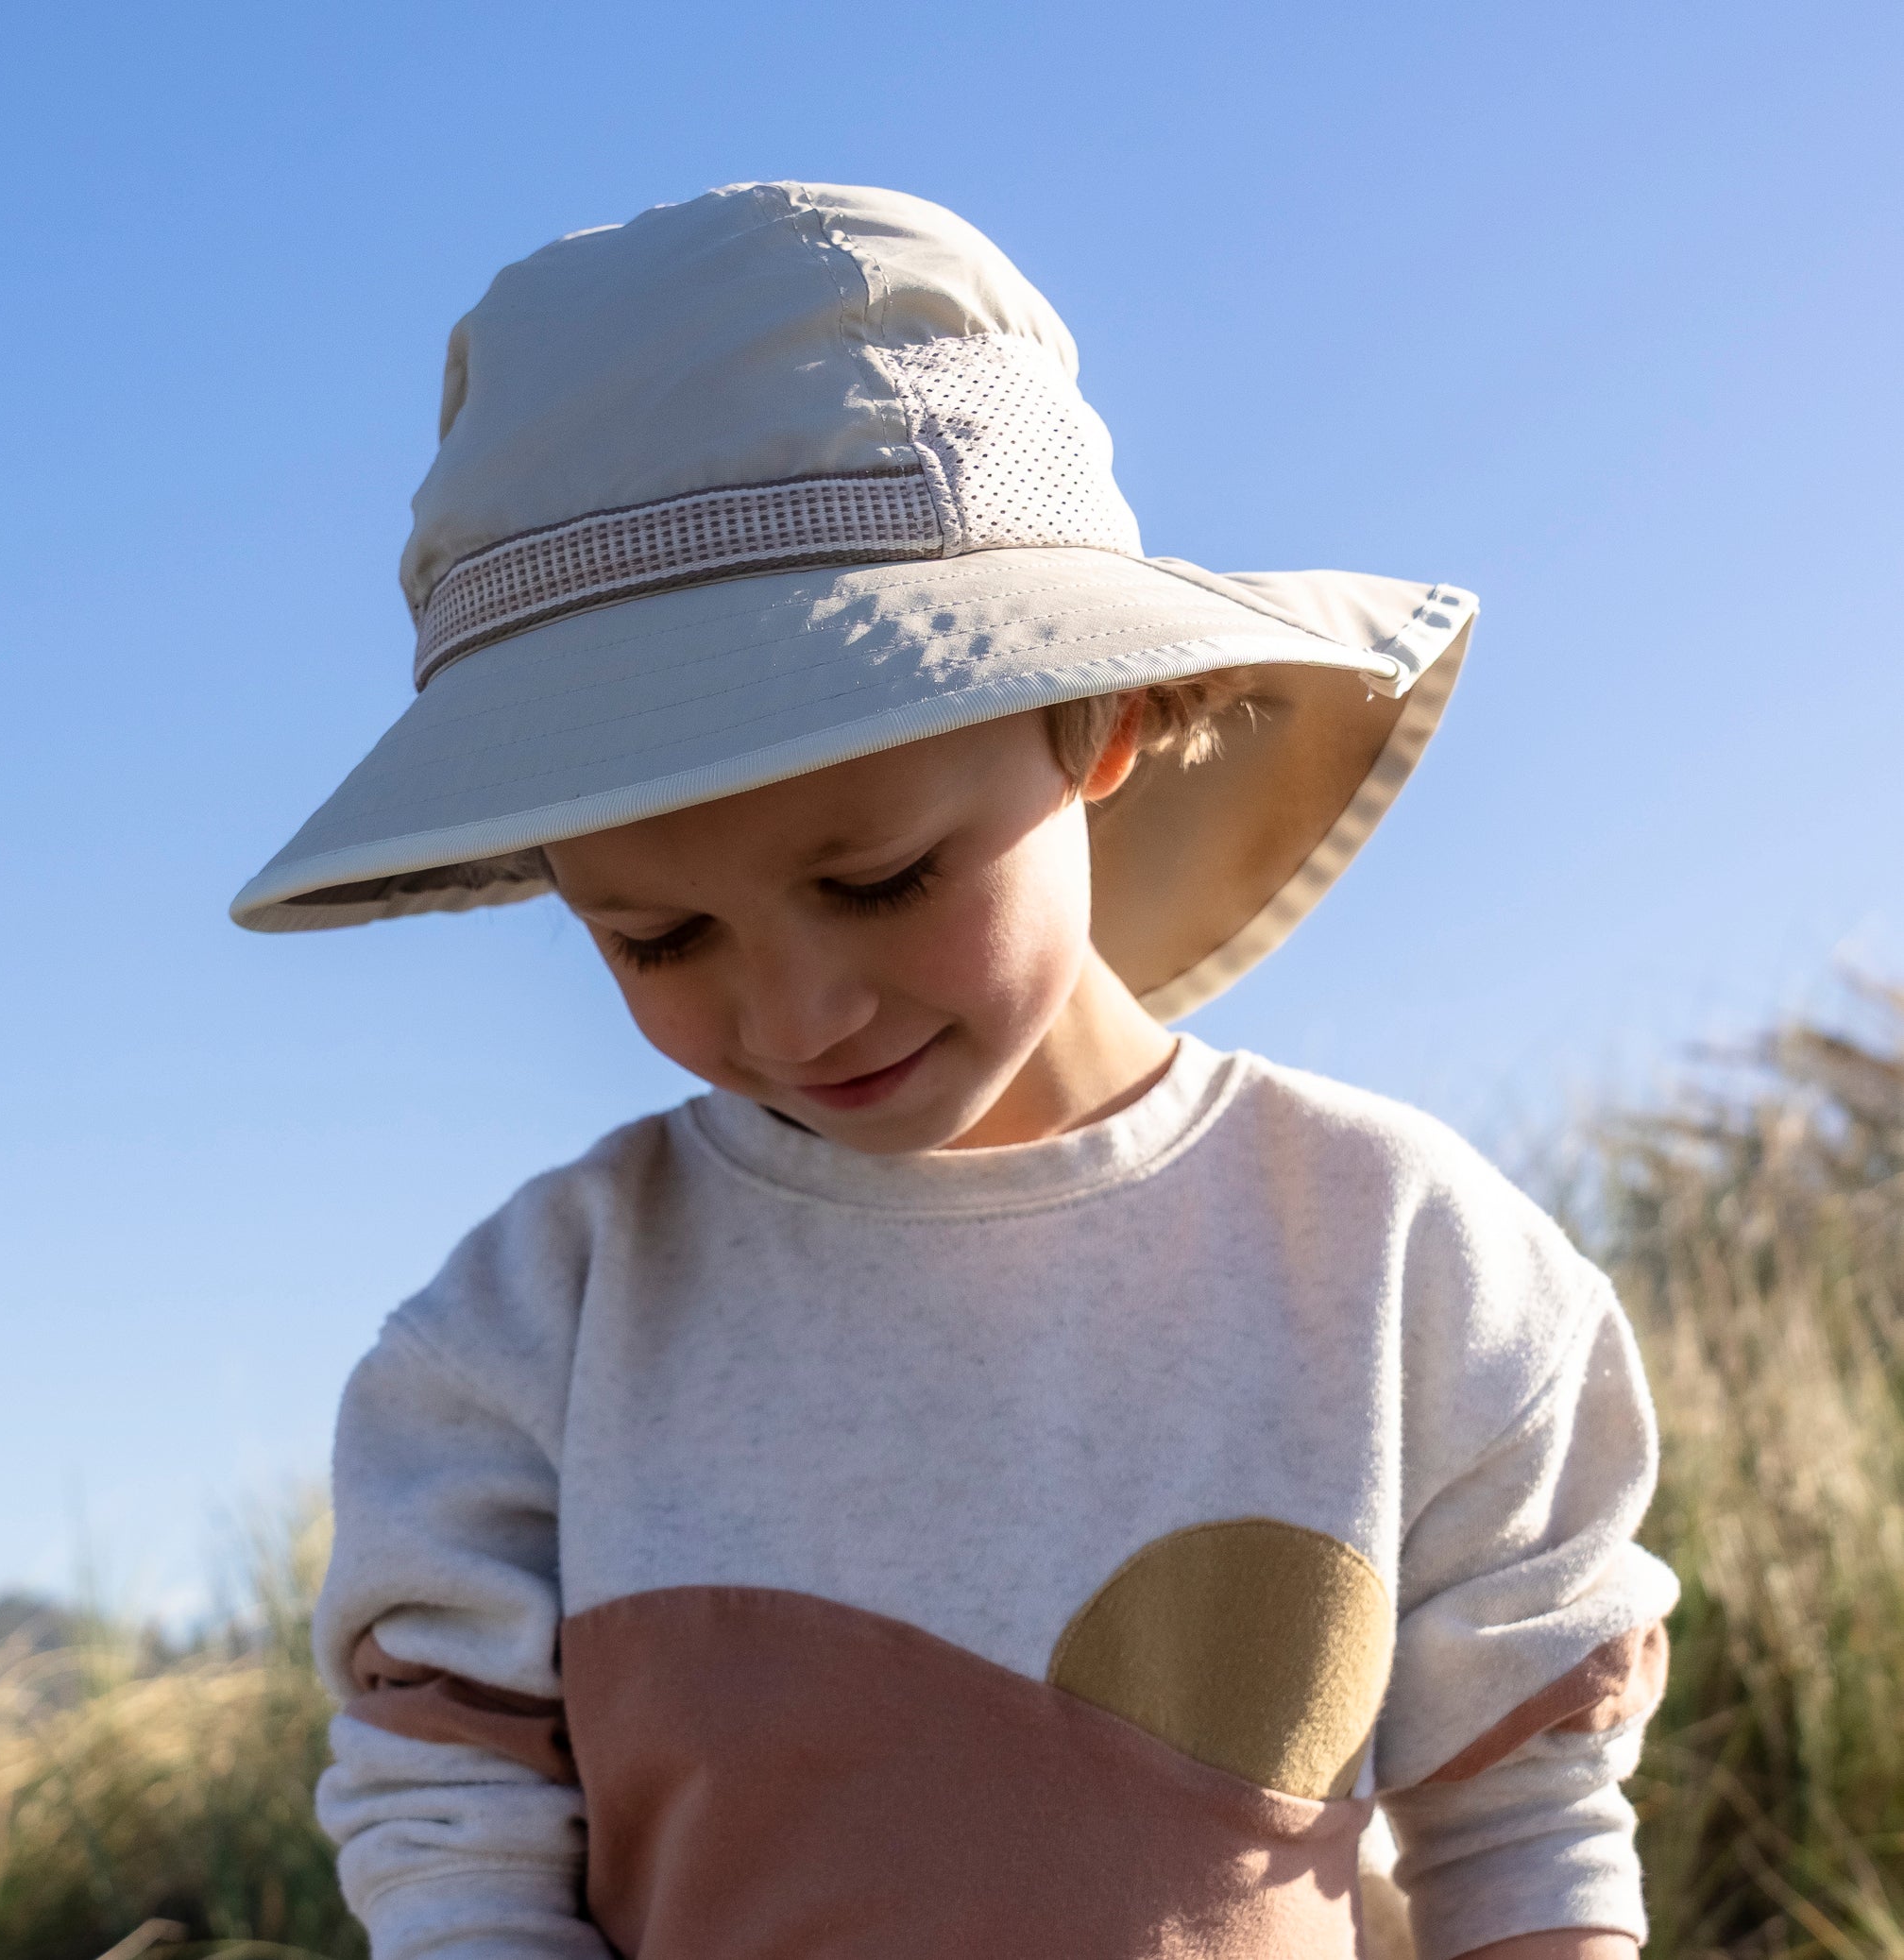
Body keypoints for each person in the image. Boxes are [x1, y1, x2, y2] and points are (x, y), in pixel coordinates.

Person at [233, 182, 1678, 1960]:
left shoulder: (1401, 1262)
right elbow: (455, 1845)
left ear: (1106, 724)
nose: (795, 1015)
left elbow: (1525, 1822)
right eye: (657, 939)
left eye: (879, 880)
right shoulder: (533, 1332)